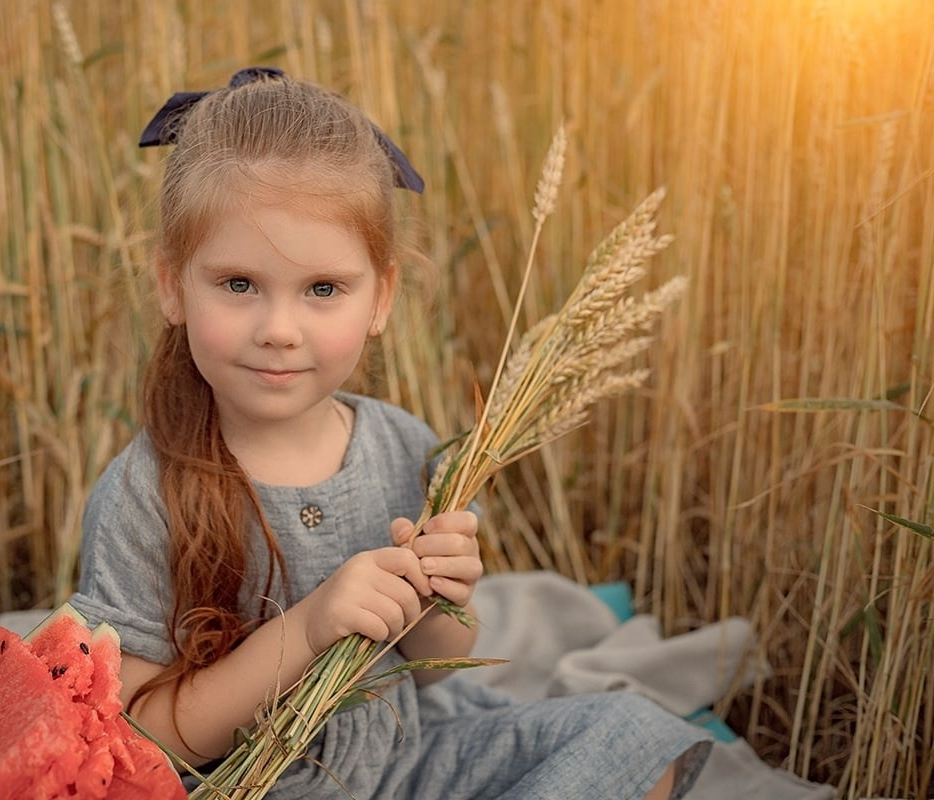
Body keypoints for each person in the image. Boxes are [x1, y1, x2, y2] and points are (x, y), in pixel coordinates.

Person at [69, 66, 712, 799]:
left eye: (323, 290)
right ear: (170, 285)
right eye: (239, 284)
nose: (279, 330)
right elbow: (145, 736)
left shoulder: (405, 447)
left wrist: (446, 599)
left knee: (634, 742)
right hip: (249, 786)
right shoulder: (143, 492)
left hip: (412, 759)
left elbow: (436, 666)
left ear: (381, 297)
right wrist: (310, 628)